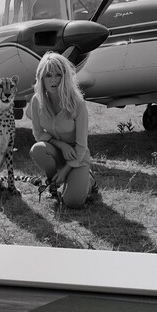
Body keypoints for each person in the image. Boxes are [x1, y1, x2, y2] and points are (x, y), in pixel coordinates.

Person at [27, 52, 96, 208]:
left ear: (65, 77)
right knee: (38, 149)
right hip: (57, 151)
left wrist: (65, 170)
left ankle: (89, 181)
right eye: (48, 75)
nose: (53, 80)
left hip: (77, 156)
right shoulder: (36, 101)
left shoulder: (78, 103)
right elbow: (38, 133)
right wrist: (60, 144)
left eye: (58, 75)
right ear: (41, 78)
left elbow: (81, 146)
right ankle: (54, 183)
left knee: (72, 203)